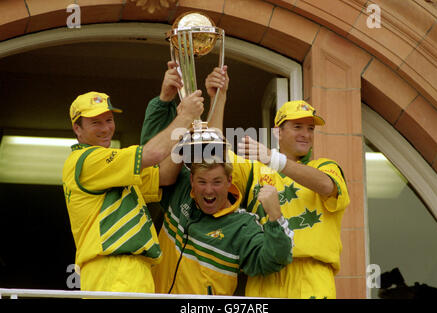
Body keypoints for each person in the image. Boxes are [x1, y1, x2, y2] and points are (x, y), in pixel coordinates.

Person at [140, 62, 293, 295]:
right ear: (191, 181)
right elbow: (149, 158)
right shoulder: (180, 190)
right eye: (201, 182)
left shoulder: (242, 225)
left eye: (217, 182)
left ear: (230, 181)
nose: (208, 190)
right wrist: (163, 100)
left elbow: (273, 260)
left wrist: (275, 218)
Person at [62, 89, 203, 293]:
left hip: (133, 270)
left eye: (109, 120)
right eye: (95, 122)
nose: (105, 128)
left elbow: (164, 175)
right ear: (77, 129)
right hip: (112, 270)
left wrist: (183, 132)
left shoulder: (114, 170)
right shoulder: (86, 160)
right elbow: (152, 153)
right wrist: (184, 116)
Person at [236, 100, 351, 299]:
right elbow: (210, 156)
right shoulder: (253, 169)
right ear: (277, 132)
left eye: (310, 128)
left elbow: (326, 186)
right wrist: (219, 98)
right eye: (297, 127)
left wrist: (274, 159)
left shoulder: (325, 166)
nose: (305, 134)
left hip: (312, 276)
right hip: (265, 274)